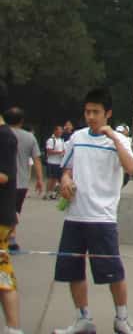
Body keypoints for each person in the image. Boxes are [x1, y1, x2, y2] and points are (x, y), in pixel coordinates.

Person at [50, 88, 133, 334]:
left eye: (96, 112)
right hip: (75, 214)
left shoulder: (119, 141)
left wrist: (113, 137)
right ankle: (83, 318)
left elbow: (131, 166)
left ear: (108, 114)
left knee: (112, 271)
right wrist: (66, 180)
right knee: (72, 270)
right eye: (87, 111)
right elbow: (66, 167)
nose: (90, 116)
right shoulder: (77, 138)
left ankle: (122, 317)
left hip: (102, 217)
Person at [4, 108, 43, 253]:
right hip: (21, 182)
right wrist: (39, 179)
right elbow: (37, 159)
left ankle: (8, 237)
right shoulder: (29, 137)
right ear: (21, 121)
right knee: (14, 210)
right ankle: (12, 237)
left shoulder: (2, 134)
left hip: (4, 179)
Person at [0, 110, 24, 334]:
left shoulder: (5, 136)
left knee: (3, 272)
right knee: (2, 273)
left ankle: (14, 328)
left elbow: (5, 176)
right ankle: (13, 328)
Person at [45, 125, 66, 199]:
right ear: (55, 131)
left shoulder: (62, 140)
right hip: (52, 162)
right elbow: (49, 151)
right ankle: (47, 193)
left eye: (61, 131)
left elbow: (64, 150)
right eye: (59, 131)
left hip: (59, 163)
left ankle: (53, 193)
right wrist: (59, 152)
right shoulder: (51, 140)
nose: (60, 132)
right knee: (51, 179)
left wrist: (63, 153)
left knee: (58, 179)